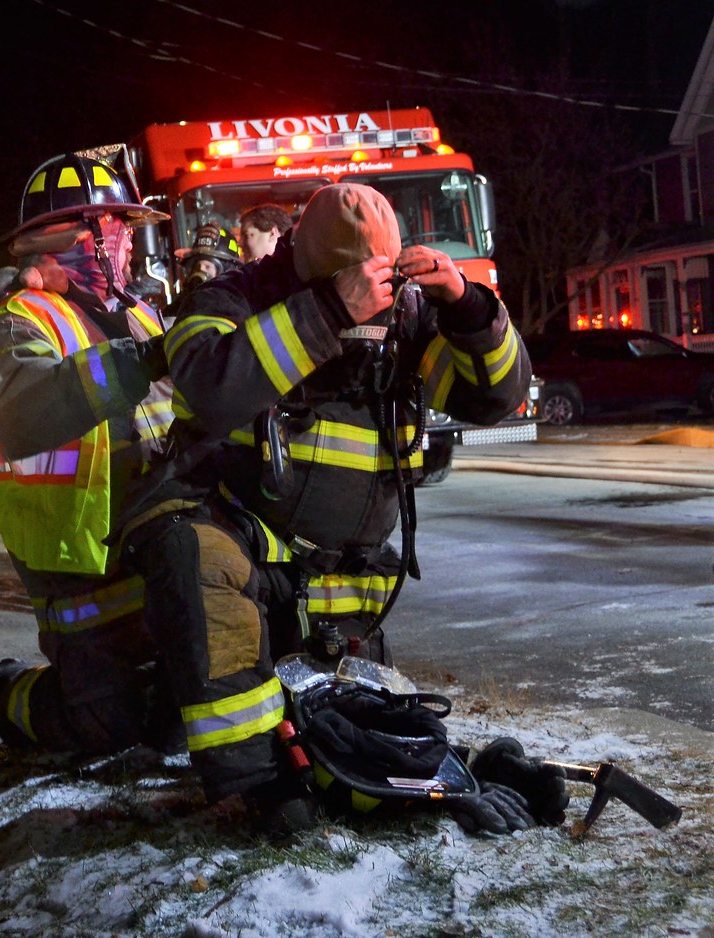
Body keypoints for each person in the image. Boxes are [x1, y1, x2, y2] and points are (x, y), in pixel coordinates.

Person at [117, 183, 566, 835]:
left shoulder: (403, 313)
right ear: (303, 263)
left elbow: (492, 400)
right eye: (350, 282)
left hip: (343, 573)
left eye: (376, 281)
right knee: (196, 569)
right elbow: (210, 386)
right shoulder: (233, 297)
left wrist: (467, 308)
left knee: (349, 726)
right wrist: (326, 312)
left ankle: (454, 770)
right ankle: (256, 788)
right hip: (246, 551)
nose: (368, 306)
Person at [0, 149, 179, 764]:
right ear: (76, 237)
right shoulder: (15, 324)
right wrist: (145, 360)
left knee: (177, 712)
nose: (127, 243)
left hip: (151, 545)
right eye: (117, 227)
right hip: (77, 562)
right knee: (106, 725)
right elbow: (30, 411)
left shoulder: (140, 316)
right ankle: (6, 695)